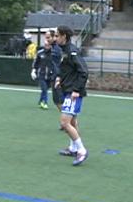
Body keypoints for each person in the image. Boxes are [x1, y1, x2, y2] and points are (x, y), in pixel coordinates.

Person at [54, 25, 89, 166]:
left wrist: (75, 90)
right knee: (73, 122)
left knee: (64, 122)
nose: (55, 38)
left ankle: (81, 150)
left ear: (64, 36)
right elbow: (67, 70)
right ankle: (73, 148)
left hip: (73, 93)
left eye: (57, 36)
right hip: (68, 90)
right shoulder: (64, 51)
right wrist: (59, 79)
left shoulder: (72, 52)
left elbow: (84, 72)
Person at [31, 31, 57, 110]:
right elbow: (35, 63)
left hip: (50, 75)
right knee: (44, 89)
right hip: (41, 74)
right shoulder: (40, 53)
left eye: (48, 45)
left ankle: (40, 101)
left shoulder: (54, 54)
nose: (46, 46)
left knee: (46, 89)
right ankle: (44, 103)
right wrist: (33, 71)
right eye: (45, 45)